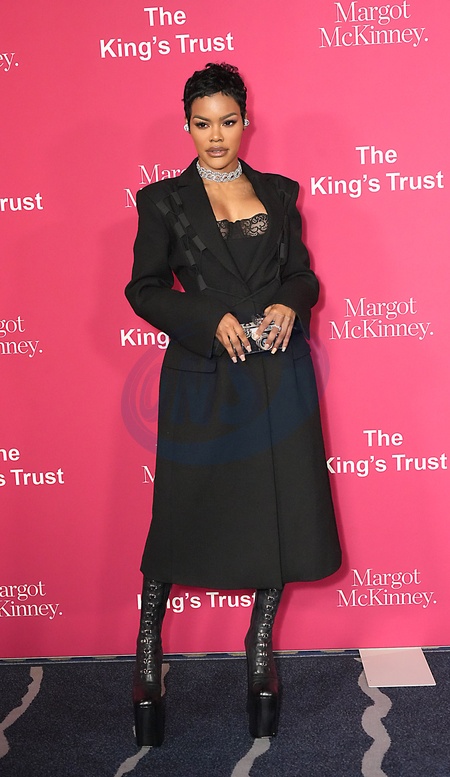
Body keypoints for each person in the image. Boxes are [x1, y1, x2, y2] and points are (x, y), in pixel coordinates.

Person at [125, 62, 341, 747]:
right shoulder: (161, 200)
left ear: (246, 122)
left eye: (227, 121)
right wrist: (206, 316)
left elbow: (302, 274)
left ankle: (258, 648)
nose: (215, 136)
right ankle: (148, 650)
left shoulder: (279, 193)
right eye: (202, 123)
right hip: (204, 373)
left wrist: (290, 302)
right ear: (186, 126)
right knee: (181, 511)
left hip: (277, 372)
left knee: (278, 509)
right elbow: (144, 288)